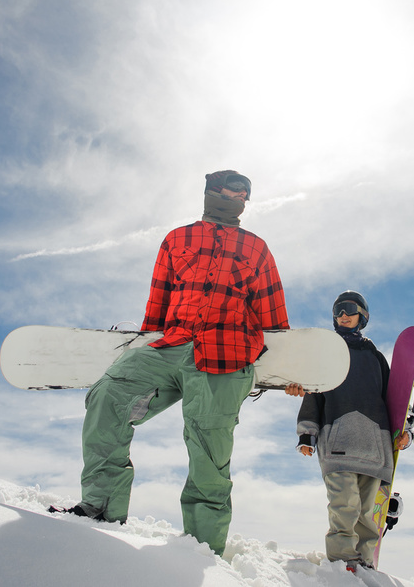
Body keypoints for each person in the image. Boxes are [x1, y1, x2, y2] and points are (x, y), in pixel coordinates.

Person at [55, 170, 290, 557]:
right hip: (171, 344)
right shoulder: (177, 239)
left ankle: (202, 549)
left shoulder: (256, 248)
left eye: (242, 194)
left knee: (208, 451)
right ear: (210, 192)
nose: (235, 197)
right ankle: (99, 509)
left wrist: (288, 374)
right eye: (228, 190)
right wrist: (143, 344)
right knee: (108, 395)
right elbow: (158, 300)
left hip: (226, 355)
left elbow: (274, 319)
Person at [295, 291, 410, 571]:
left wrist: (402, 432)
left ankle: (364, 562)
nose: (342, 315)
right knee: (344, 505)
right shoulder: (327, 354)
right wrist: (307, 432)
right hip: (338, 441)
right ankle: (343, 561)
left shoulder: (375, 356)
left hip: (374, 445)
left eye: (349, 309)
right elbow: (313, 394)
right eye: (337, 311)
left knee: (367, 513)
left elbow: (394, 400)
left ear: (363, 316)